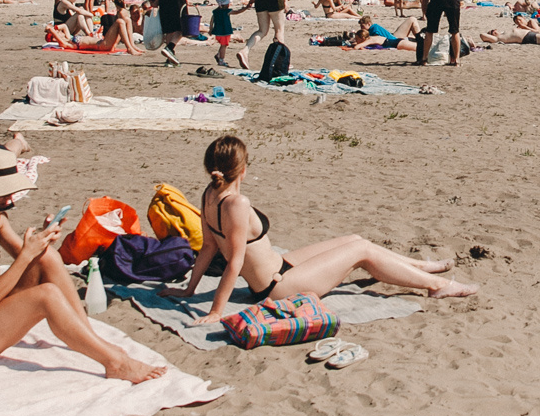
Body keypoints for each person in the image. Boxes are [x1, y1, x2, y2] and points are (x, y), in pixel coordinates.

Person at [170, 136, 476, 326]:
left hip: (280, 268)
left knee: (355, 240)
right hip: (276, 288)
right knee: (362, 252)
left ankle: (422, 266)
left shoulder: (209, 195)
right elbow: (234, 262)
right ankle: (435, 285)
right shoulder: (236, 203)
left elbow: (208, 248)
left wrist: (189, 289)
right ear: (244, 168)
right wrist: (216, 310)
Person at [0, 148, 165, 382]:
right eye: (4, 194)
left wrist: (43, 240)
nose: (10, 200)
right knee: (46, 295)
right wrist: (28, 254)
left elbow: (31, 260)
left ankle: (91, 339)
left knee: (48, 256)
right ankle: (116, 364)